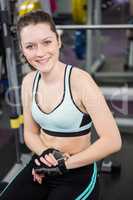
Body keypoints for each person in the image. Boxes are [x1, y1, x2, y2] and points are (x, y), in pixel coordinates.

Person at [0, 10, 122, 200]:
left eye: (47, 42)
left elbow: (113, 140)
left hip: (77, 172)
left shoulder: (81, 82)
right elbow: (30, 133)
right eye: (30, 46)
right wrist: (45, 157)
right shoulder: (29, 81)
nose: (39, 53)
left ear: (58, 40)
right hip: (43, 165)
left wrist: (63, 164)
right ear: (22, 49)